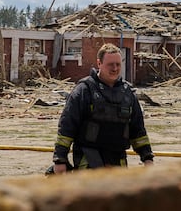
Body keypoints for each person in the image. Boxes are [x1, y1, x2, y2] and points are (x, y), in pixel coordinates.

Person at [52, 43, 154, 174]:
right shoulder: (84, 90)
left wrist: (147, 158)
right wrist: (60, 159)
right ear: (99, 63)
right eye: (110, 64)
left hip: (118, 161)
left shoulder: (128, 94)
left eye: (118, 64)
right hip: (88, 161)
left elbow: (138, 130)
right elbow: (67, 126)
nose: (115, 68)